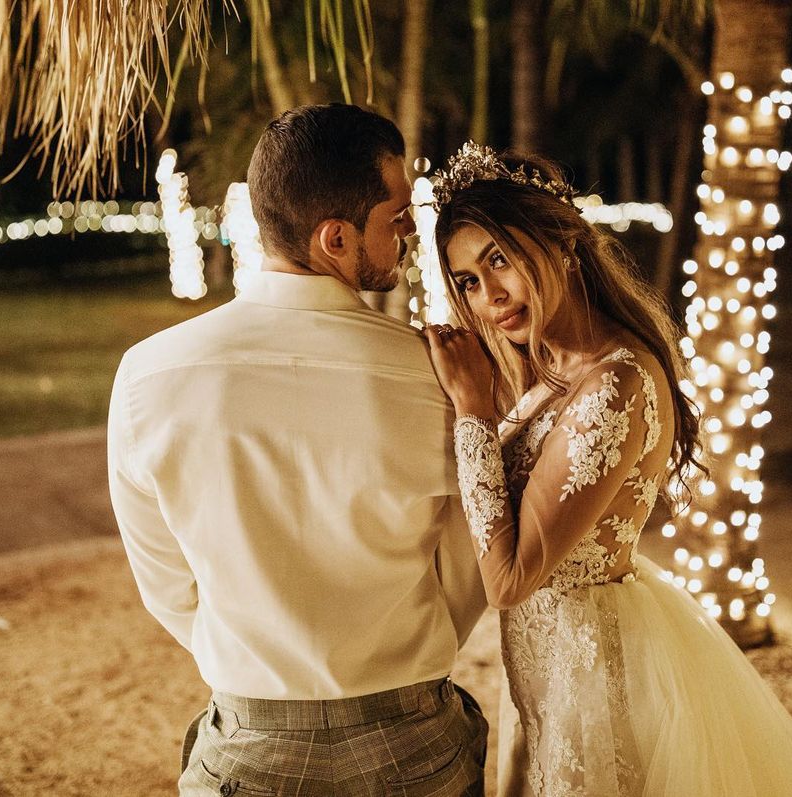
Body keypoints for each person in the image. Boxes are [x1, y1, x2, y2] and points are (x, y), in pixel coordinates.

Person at [424, 141, 792, 796]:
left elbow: (509, 580)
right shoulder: (551, 370)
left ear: (563, 245)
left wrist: (473, 415)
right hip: (543, 676)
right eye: (469, 282)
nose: (490, 297)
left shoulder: (613, 385)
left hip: (590, 688)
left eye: (499, 259)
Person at [107, 105, 489, 796]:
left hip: (249, 746)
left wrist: (262, 665)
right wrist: (399, 666)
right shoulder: (437, 375)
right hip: (413, 742)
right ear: (336, 238)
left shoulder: (148, 374)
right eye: (396, 217)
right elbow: (468, 566)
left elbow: (166, 584)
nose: (409, 233)